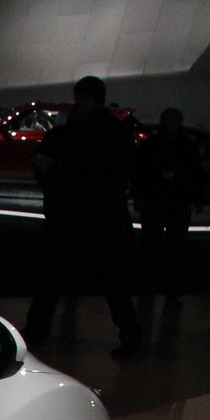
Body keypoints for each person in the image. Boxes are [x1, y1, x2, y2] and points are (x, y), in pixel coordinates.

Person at [28, 75, 144, 358]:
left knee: (52, 275)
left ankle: (37, 330)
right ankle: (130, 334)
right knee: (114, 280)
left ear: (84, 97)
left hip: (73, 215)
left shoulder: (75, 132)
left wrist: (51, 171)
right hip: (108, 215)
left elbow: (70, 172)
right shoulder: (119, 132)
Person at [133, 107, 203, 312]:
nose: (174, 125)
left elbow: (140, 171)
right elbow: (140, 171)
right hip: (167, 201)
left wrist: (138, 195)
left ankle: (158, 290)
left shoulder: (153, 144)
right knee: (160, 246)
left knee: (164, 247)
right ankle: (162, 291)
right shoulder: (183, 145)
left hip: (165, 201)